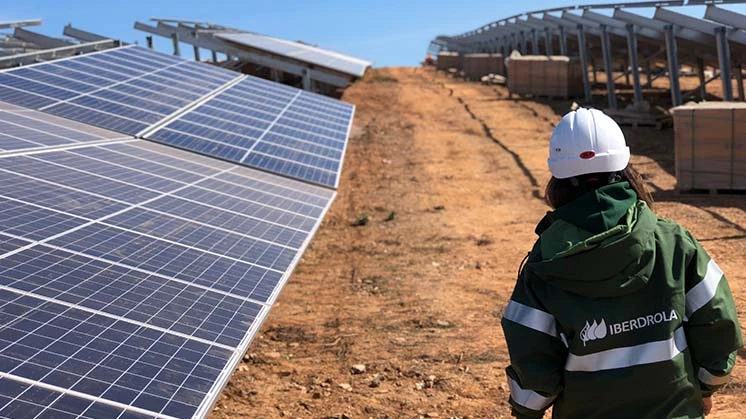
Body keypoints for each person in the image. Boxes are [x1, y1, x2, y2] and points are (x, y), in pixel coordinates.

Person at [501, 108, 743, 418]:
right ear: (626, 167)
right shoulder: (673, 242)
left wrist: (527, 409)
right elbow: (718, 325)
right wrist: (705, 387)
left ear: (557, 178)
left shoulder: (545, 261)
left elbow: (533, 362)